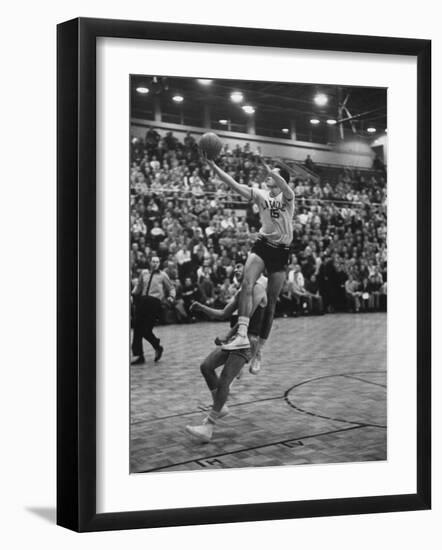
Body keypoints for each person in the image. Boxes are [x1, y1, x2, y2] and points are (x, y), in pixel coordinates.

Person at [205, 155, 294, 376]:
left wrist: (274, 171)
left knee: (271, 303)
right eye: (268, 174)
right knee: (246, 282)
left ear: (280, 178)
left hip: (281, 251)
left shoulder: (288, 197)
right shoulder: (261, 194)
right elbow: (233, 184)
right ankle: (242, 333)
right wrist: (213, 166)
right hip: (263, 244)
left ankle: (259, 351)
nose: (268, 176)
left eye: (273, 174)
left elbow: (284, 185)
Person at [185, 264, 268, 442]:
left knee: (224, 380)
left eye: (241, 268)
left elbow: (247, 318)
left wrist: (227, 335)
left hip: (247, 341)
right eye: (235, 268)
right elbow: (223, 313)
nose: (236, 270)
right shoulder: (241, 292)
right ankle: (219, 406)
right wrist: (202, 308)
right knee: (206, 366)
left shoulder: (258, 288)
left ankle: (208, 426)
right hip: (235, 340)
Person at [131, 256, 176, 365]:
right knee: (137, 328)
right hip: (142, 301)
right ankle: (139, 355)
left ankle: (157, 346)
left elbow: (171, 288)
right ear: (149, 262)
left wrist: (171, 297)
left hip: (154, 303)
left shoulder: (163, 275)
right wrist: (132, 294)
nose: (155, 263)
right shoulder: (144, 273)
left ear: (159, 263)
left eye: (157, 262)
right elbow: (139, 286)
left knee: (146, 329)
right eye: (153, 261)